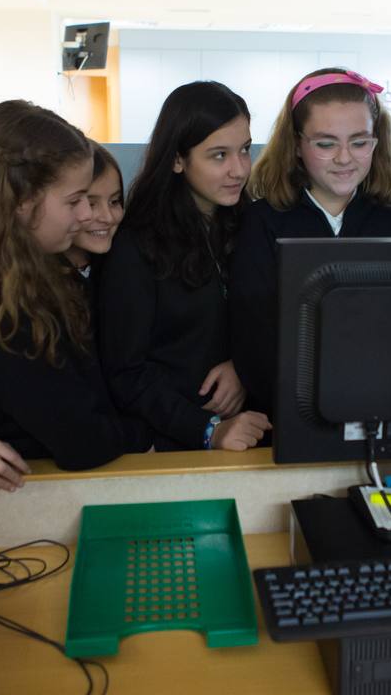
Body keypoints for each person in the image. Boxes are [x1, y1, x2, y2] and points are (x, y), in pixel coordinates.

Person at [0, 100, 151, 482]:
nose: (86, 215)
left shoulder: (32, 274)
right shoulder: (5, 310)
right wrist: (147, 435)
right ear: (21, 204)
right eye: (75, 201)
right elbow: (84, 442)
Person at [231, 68, 391, 414]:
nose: (345, 157)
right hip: (286, 410)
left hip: (380, 408)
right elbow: (253, 338)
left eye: (360, 142)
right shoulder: (262, 222)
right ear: (296, 145)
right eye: (325, 144)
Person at [97, 81, 271, 452]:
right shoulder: (136, 246)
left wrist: (243, 365)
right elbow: (125, 373)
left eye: (244, 150)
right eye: (219, 155)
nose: (239, 170)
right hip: (173, 443)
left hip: (249, 431)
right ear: (177, 159)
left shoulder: (251, 226)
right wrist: (207, 430)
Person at [63, 142, 124, 301]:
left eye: (115, 201)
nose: (108, 217)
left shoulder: (125, 264)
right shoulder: (30, 280)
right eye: (90, 204)